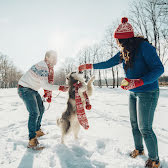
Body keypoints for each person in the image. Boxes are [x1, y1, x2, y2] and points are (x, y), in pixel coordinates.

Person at [78, 17, 164, 168]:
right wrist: (88, 65)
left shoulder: (144, 47)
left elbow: (159, 69)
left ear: (126, 40)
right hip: (133, 92)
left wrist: (139, 81)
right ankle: (139, 148)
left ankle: (155, 159)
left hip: (148, 92)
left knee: (145, 128)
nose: (118, 43)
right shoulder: (125, 51)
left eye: (119, 40)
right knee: (134, 124)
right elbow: (108, 63)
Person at [18, 50, 67, 150]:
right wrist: (60, 88)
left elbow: (46, 83)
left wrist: (48, 94)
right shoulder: (43, 66)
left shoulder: (49, 68)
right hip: (25, 88)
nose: (55, 59)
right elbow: (45, 85)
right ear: (47, 58)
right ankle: (32, 140)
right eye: (52, 57)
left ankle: (37, 130)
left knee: (41, 109)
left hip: (32, 89)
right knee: (34, 113)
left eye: (56, 57)